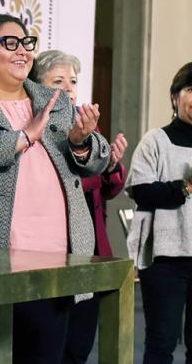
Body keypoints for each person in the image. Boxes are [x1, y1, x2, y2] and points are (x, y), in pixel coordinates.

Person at [0, 13, 110, 363]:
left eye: (27, 43)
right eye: (9, 43)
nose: (22, 51)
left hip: (55, 253)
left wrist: (81, 142)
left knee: (44, 353)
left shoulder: (53, 100)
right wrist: (21, 139)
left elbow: (97, 158)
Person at [125, 61, 192, 364]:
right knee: (161, 342)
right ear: (175, 97)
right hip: (165, 259)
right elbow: (141, 191)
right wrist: (186, 186)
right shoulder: (155, 141)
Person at [30, 49, 127, 363]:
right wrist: (86, 160)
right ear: (36, 85)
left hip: (92, 249)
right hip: (53, 253)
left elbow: (107, 191)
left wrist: (110, 164)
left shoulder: (86, 126)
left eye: (72, 80)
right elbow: (69, 185)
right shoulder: (34, 129)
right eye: (58, 81)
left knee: (80, 346)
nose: (69, 88)